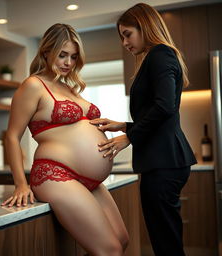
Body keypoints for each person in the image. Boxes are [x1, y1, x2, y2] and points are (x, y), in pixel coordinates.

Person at [1, 23, 129, 255]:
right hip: (55, 174)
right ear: (46, 51)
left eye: (73, 57)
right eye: (62, 55)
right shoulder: (33, 85)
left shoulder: (70, 88)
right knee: (110, 250)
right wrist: (20, 184)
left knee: (122, 240)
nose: (68, 63)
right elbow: (12, 136)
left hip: (88, 180)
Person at [90, 3, 197, 256]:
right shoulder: (157, 56)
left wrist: (129, 136)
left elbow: (164, 107)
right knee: (165, 237)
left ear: (144, 26)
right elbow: (160, 111)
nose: (125, 43)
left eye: (127, 34)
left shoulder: (160, 54)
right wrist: (122, 125)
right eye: (122, 37)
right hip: (164, 160)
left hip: (164, 161)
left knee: (165, 241)